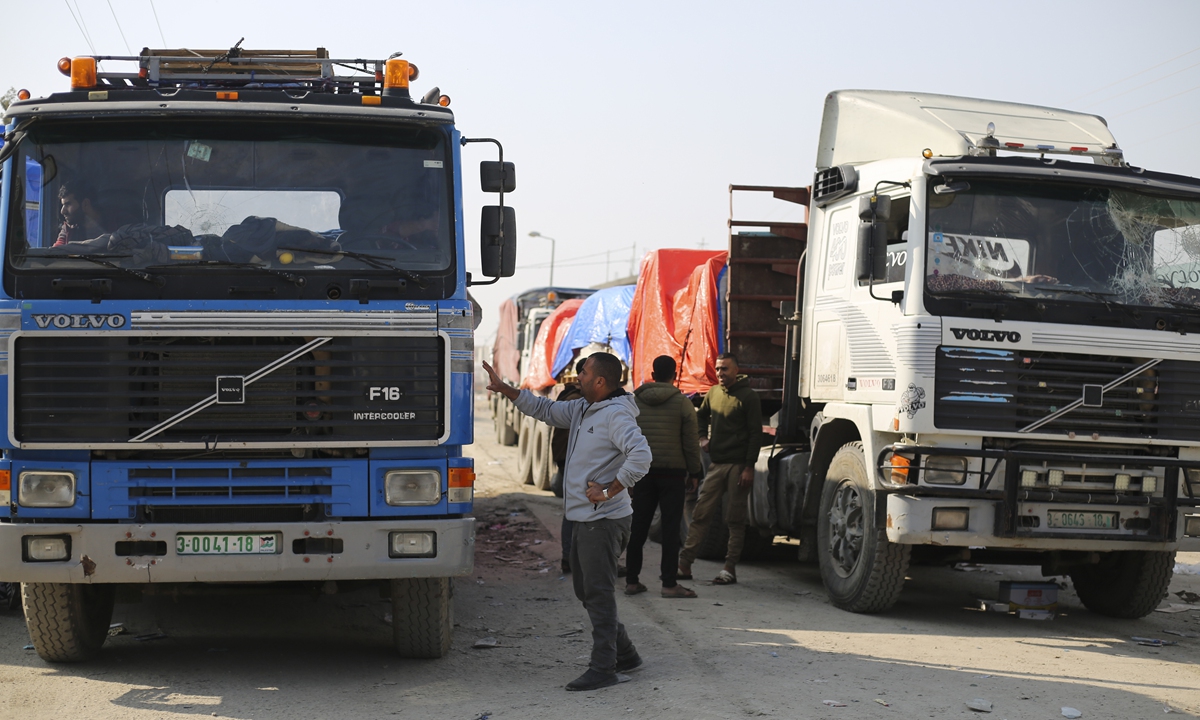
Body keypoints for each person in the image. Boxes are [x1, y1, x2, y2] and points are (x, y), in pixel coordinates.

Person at [483, 352, 651, 692]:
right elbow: (545, 410)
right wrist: (508, 390)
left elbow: (642, 455)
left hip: (602, 521)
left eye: (584, 372)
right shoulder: (584, 408)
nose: (578, 377)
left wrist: (608, 489)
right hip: (581, 520)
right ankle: (627, 653)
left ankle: (604, 667)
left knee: (598, 593)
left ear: (601, 381)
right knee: (584, 590)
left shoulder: (616, 415)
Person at [678, 353, 762, 586]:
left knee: (735, 519)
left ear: (736, 370)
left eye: (725, 369)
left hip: (738, 466)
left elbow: (756, 434)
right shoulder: (714, 393)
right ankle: (684, 565)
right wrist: (703, 437)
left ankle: (729, 569)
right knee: (701, 513)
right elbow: (701, 416)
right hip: (717, 464)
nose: (721, 373)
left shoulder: (748, 397)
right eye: (718, 369)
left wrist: (749, 467)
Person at [626, 355, 703, 599]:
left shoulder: (634, 401)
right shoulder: (682, 403)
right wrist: (695, 471)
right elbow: (691, 442)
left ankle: (631, 581)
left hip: (642, 473)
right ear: (674, 374)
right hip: (672, 474)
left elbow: (623, 436)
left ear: (652, 372)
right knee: (670, 530)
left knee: (638, 527)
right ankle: (669, 584)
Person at [552, 357, 588, 574]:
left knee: (574, 510)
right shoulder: (578, 400)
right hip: (574, 460)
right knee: (578, 511)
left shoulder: (568, 396)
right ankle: (572, 558)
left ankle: (571, 558)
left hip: (569, 458)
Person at [54, 180, 107, 246]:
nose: (62, 211)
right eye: (63, 205)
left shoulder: (114, 224)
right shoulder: (68, 228)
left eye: (68, 204)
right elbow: (57, 250)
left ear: (85, 204)